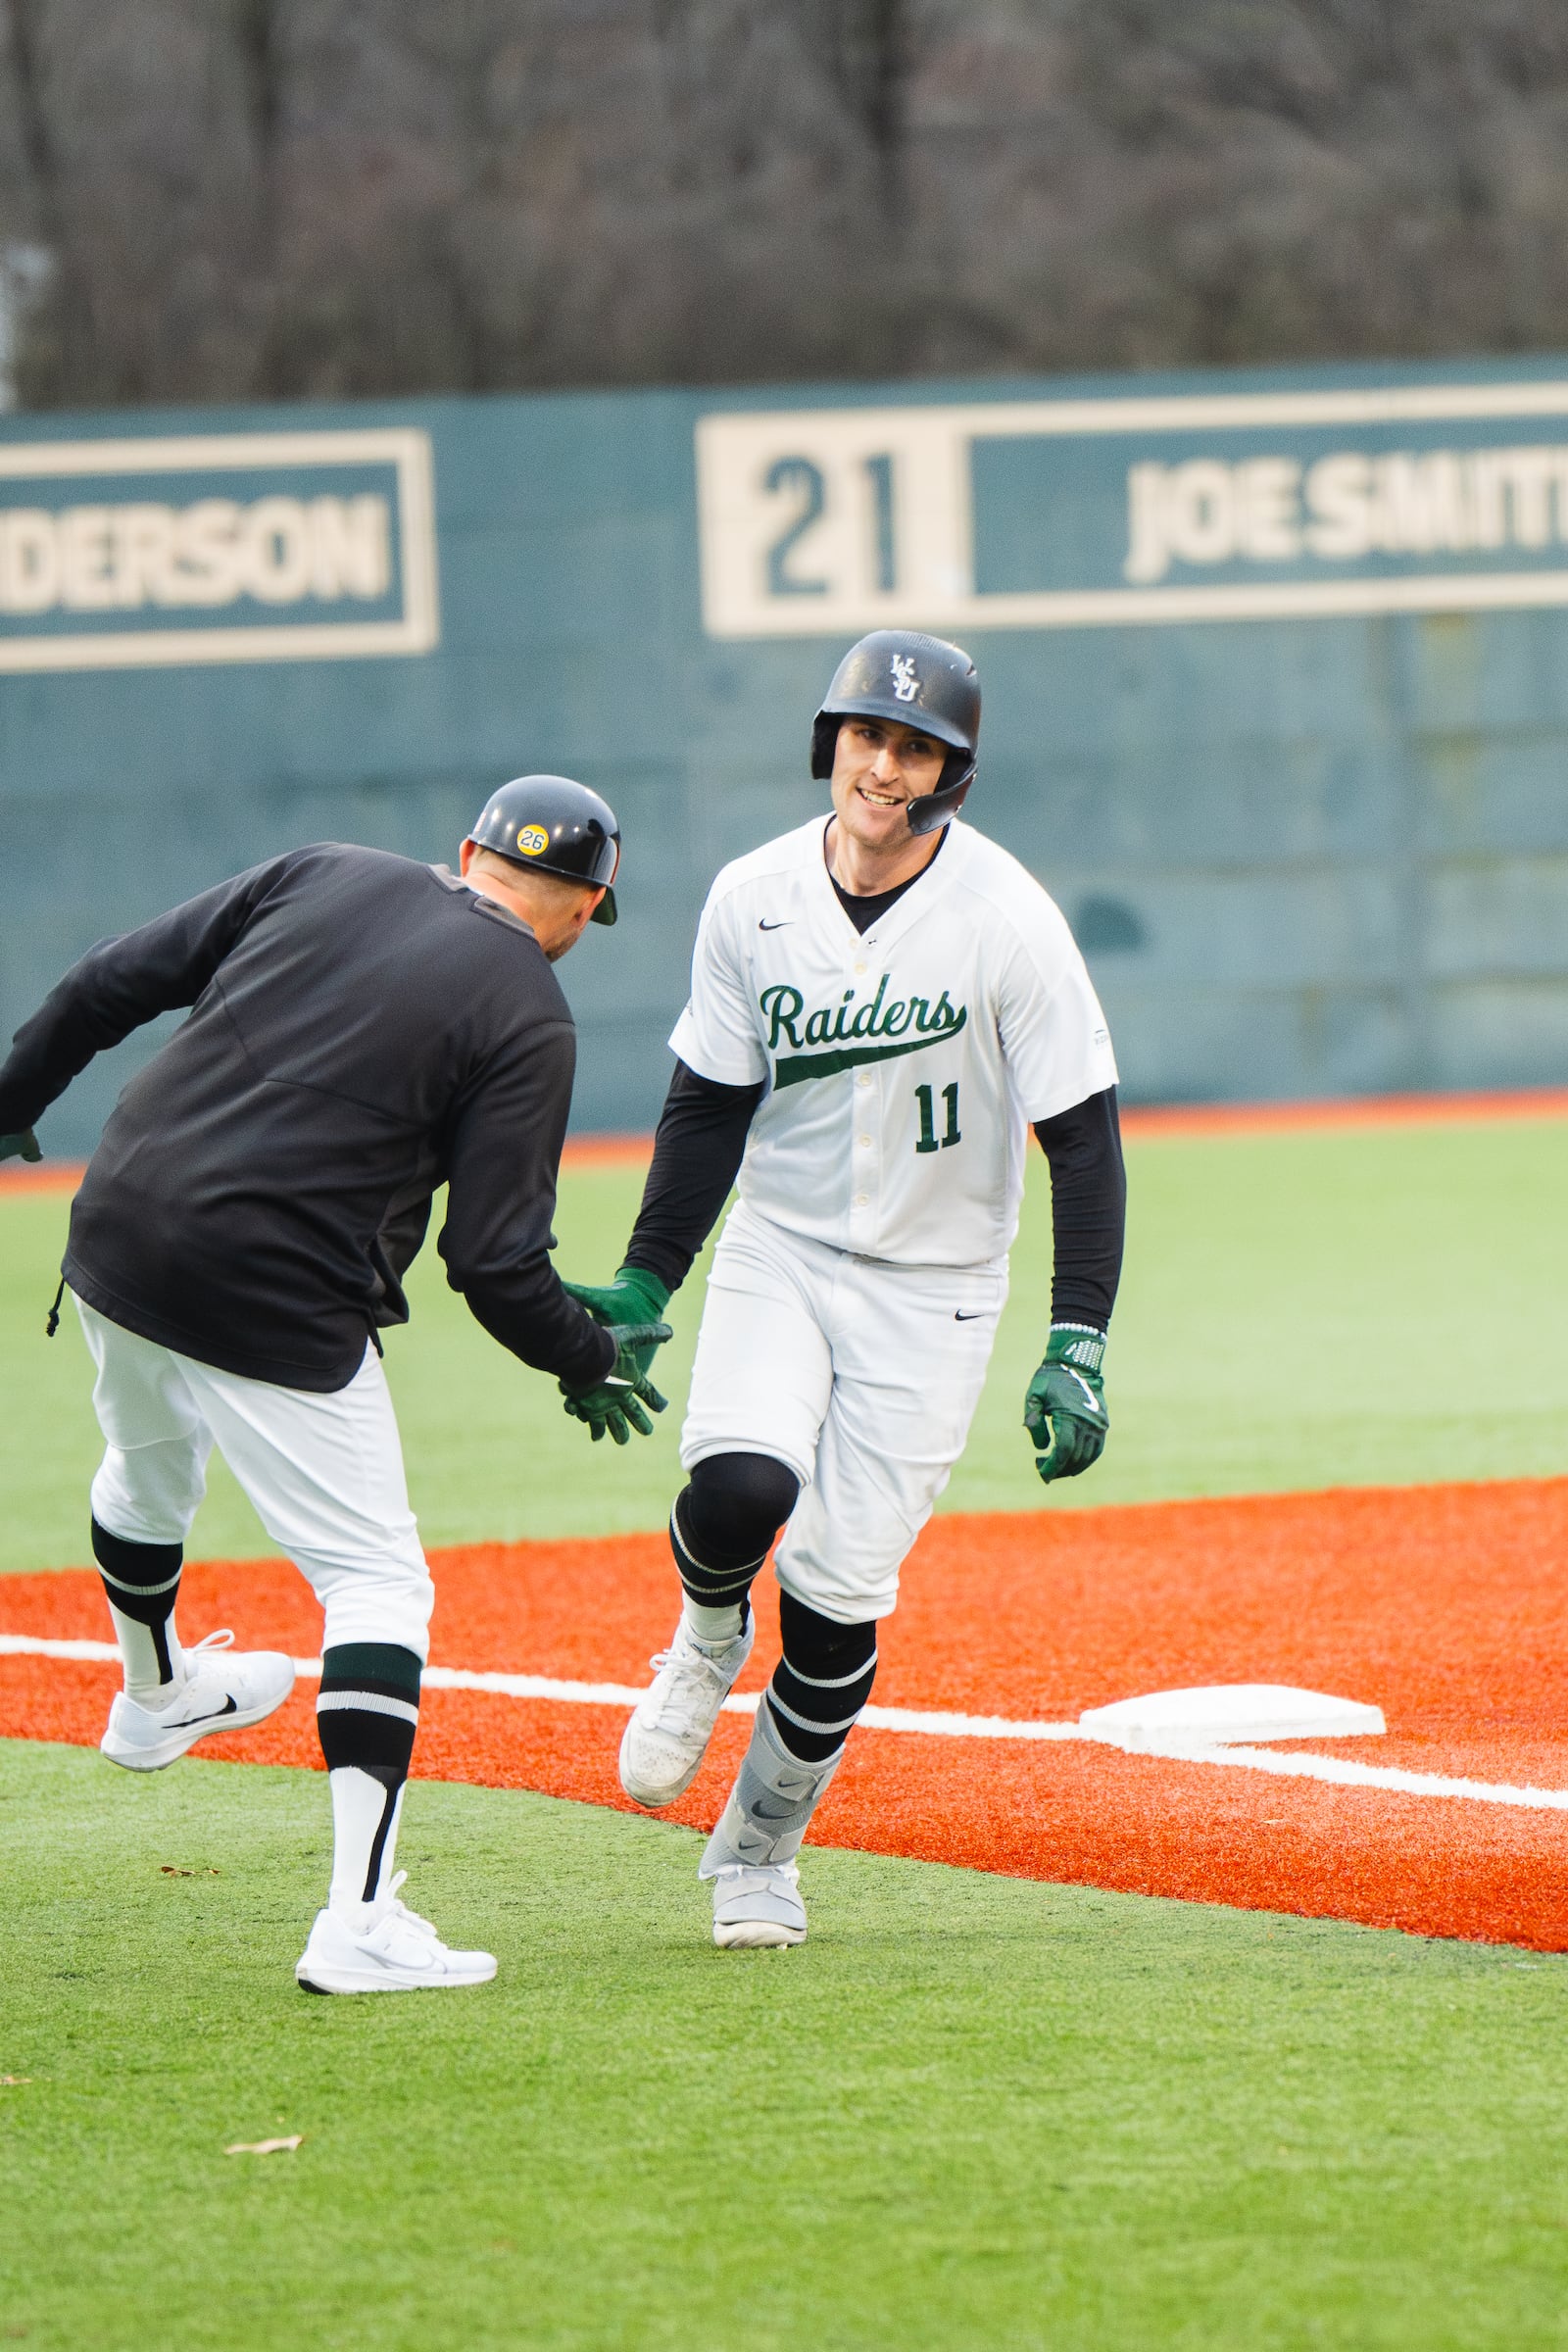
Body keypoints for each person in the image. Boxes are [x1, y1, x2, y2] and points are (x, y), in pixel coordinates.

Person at [0, 776, 667, 1994]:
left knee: (149, 1465)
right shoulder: (530, 1010)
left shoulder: (325, 868)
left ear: (466, 852)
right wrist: (586, 1355)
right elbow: (496, 1265)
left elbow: (106, 981)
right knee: (374, 1583)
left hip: (119, 1227)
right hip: (276, 1290)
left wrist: (9, 1101)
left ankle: (154, 1698)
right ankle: (357, 1924)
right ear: (584, 906)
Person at [564, 633, 1126, 1949]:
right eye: (870, 736)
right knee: (739, 1487)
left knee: (831, 1602)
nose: (887, 765)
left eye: (917, 748)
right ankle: (704, 1637)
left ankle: (760, 1846)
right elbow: (706, 1105)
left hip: (937, 1289)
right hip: (787, 1248)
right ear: (832, 744)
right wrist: (650, 1278)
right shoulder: (751, 898)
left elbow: (1084, 1137)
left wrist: (1078, 1336)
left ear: (952, 777)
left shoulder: (1006, 921)